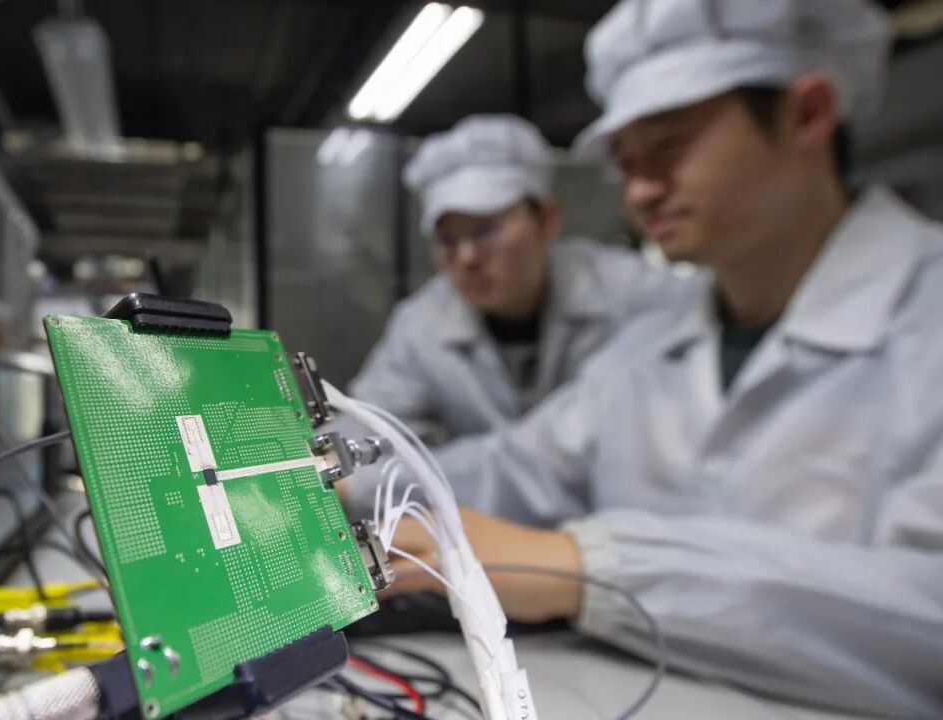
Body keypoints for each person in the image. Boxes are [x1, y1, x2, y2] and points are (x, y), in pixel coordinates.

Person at [385, 1, 943, 717]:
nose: (641, 193)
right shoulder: (650, 345)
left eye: (670, 149)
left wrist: (589, 569)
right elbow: (520, 466)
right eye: (626, 164)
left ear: (807, 115)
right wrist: (349, 481)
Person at [349, 114, 674, 445]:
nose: (467, 257)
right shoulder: (420, 327)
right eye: (447, 239)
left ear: (546, 220)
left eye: (485, 229)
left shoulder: (633, 292)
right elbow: (362, 432)